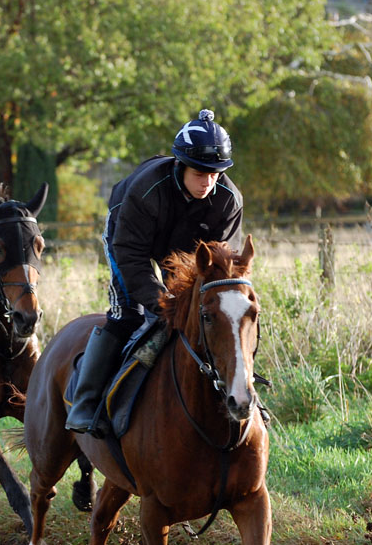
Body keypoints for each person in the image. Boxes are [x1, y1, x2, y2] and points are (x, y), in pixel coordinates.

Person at [65, 109, 244, 435]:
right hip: (130, 241)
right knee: (129, 314)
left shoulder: (229, 201)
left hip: (188, 253)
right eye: (199, 172)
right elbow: (130, 257)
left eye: (215, 174)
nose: (207, 182)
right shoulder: (145, 190)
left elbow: (219, 268)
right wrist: (161, 302)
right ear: (180, 165)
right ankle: (85, 402)